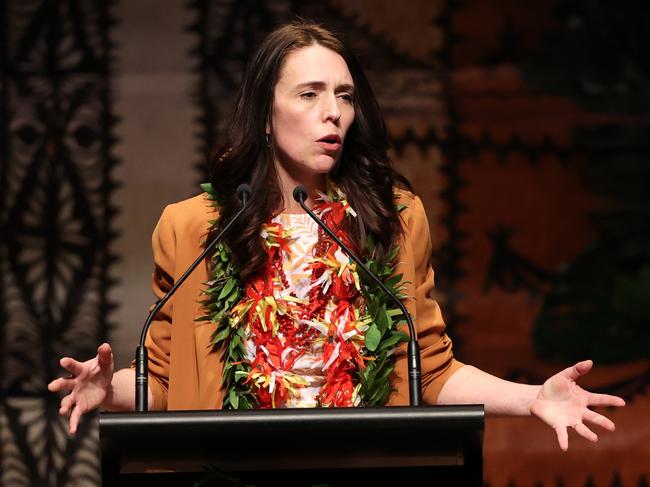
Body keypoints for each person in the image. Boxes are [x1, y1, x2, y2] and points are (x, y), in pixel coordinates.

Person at [48, 21, 624, 451]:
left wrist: (531, 399)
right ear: (265, 114)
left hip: (364, 468)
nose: (334, 114)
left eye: (344, 96)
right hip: (232, 470)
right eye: (310, 94)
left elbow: (431, 370)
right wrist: (109, 390)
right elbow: (171, 378)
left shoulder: (392, 220)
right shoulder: (195, 227)